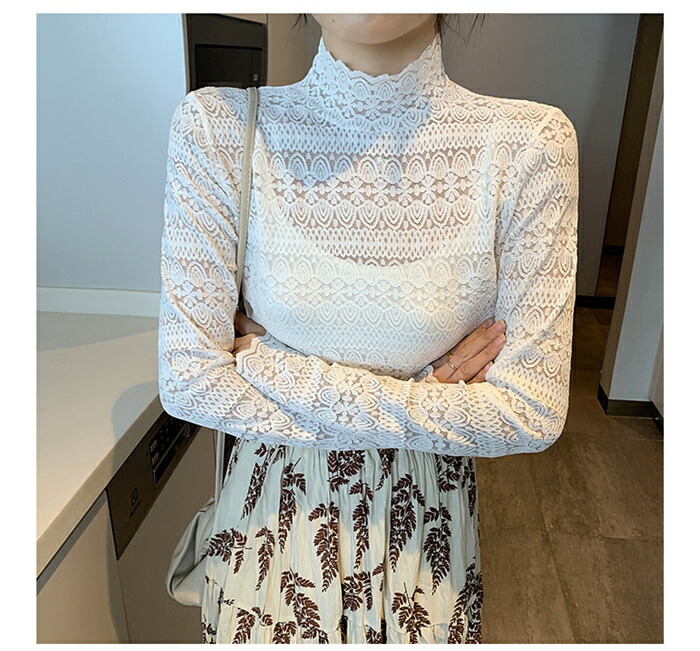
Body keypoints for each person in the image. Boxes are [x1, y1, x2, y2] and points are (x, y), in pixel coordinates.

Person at [158, 13, 578, 644]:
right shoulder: (218, 127)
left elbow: (529, 415)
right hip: (270, 540)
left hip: (424, 545)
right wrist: (431, 391)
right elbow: (189, 384)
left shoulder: (529, 145)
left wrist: (272, 366)